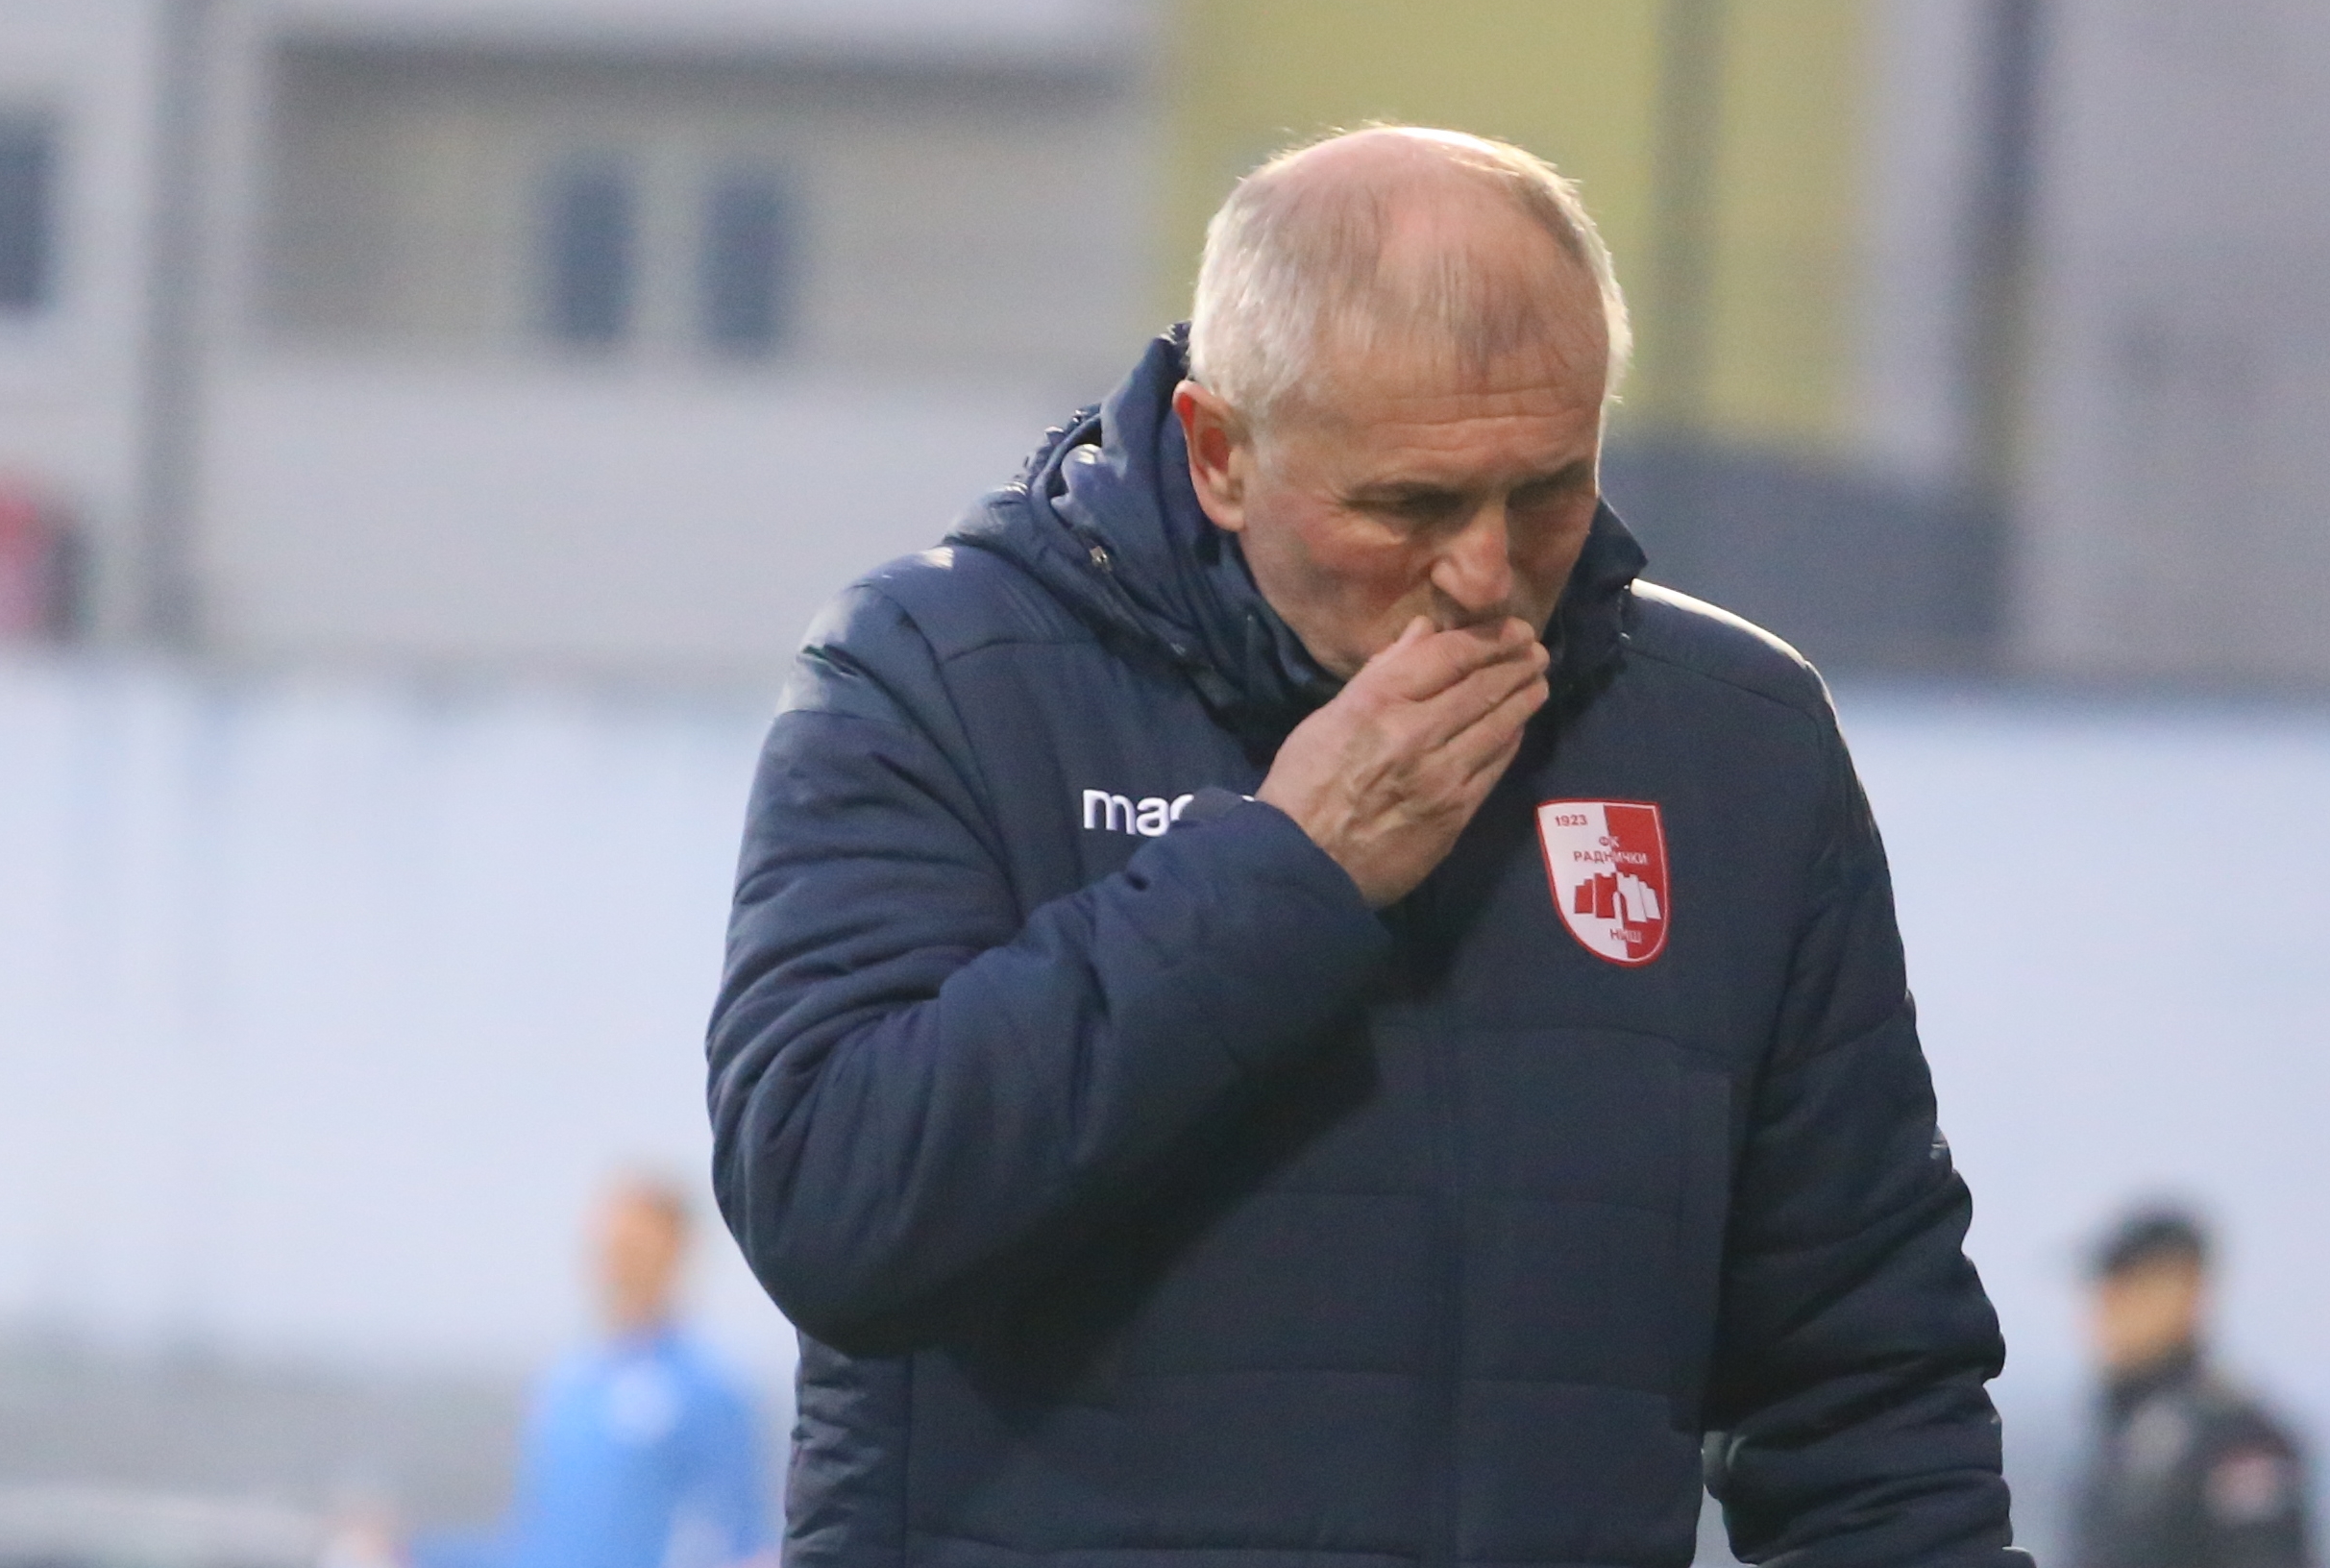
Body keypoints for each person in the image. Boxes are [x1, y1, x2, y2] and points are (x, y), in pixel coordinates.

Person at [708, 125, 2023, 1568]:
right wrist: (1286, 871)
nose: (1483, 571)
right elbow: (832, 1201)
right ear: (1218, 452)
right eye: (1407, 504)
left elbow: (1864, 1387)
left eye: (1546, 489)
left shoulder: (1731, 743)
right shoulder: (943, 673)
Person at [414, 1178, 772, 1568]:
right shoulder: (565, 1386)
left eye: (636, 1249)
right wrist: (411, 1554)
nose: (619, 1266)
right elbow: (535, 1543)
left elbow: (744, 1541)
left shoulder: (708, 1392)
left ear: (677, 1254)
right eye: (610, 1249)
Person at [2074, 1207, 2311, 1568]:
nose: (2105, 1309)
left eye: (2126, 1287)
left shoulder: (2237, 1438)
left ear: (2186, 1290)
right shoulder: (2127, 1430)